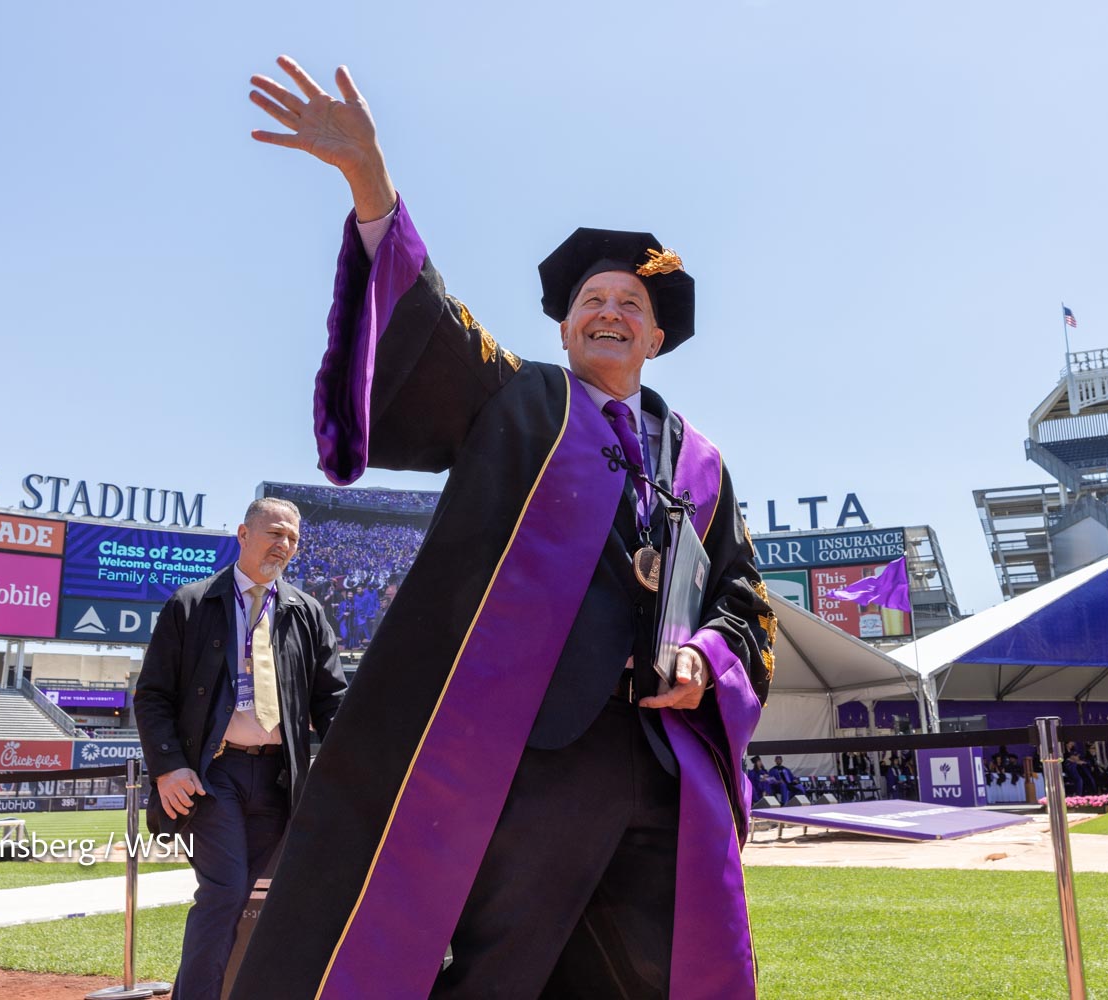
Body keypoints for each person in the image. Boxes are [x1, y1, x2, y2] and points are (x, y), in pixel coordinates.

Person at [234, 55, 774, 999]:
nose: (609, 312)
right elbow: (431, 332)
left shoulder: (702, 464)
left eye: (630, 306)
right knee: (504, 972)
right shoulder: (523, 403)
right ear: (566, 329)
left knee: (654, 974)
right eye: (591, 303)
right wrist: (372, 187)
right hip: (536, 756)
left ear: (655, 338)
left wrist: (707, 660)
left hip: (664, 762)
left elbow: (743, 600)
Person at [134, 498, 347, 999]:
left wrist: (354, 769)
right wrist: (169, 768)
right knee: (225, 893)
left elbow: (332, 702)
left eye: (293, 538)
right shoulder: (191, 603)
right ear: (243, 534)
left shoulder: (307, 612)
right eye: (275, 532)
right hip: (213, 774)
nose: (284, 545)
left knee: (242, 900)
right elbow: (153, 696)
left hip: (278, 780)